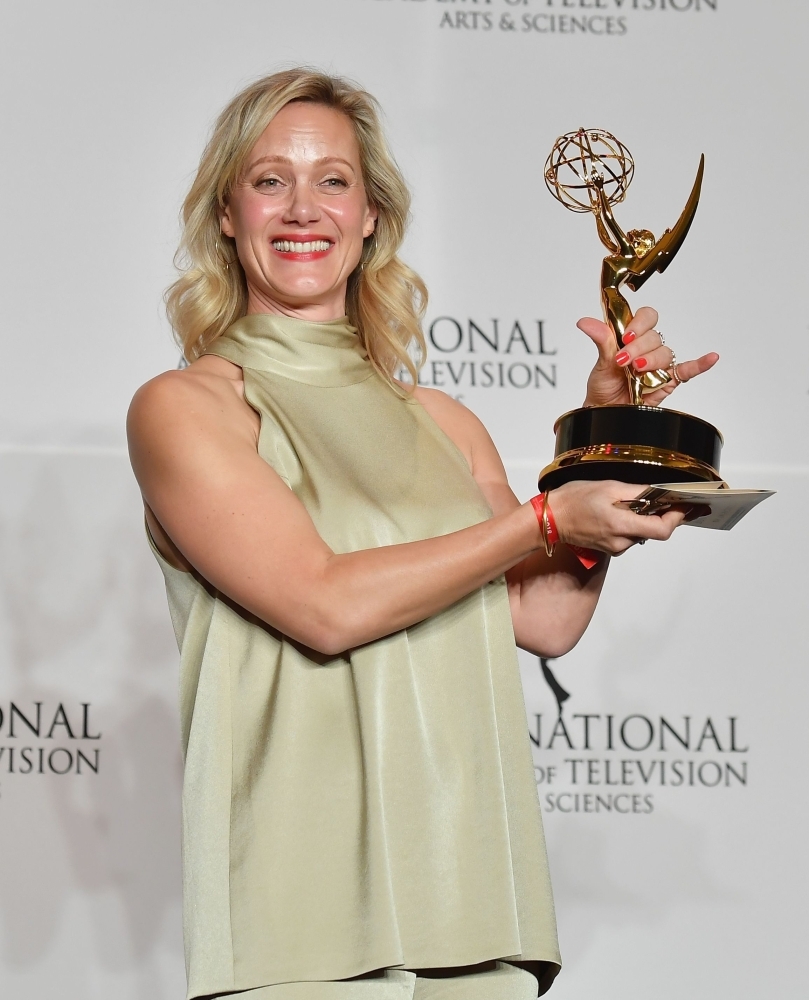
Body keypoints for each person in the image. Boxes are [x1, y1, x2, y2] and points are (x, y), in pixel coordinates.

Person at [127, 69, 718, 1000]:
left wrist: (602, 447)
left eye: (333, 180)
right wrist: (540, 519)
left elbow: (546, 619)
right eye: (269, 178)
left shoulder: (443, 420)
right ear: (228, 214)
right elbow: (321, 604)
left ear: (370, 216)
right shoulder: (188, 407)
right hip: (297, 914)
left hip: (471, 897)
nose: (302, 207)